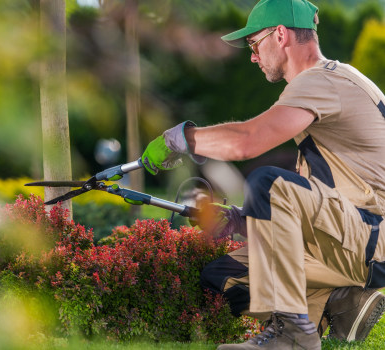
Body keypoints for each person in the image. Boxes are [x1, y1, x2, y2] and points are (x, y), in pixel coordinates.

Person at [141, 0, 385, 349]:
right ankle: (340, 304)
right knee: (221, 280)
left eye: (254, 44)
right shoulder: (333, 83)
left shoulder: (321, 81)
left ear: (281, 35)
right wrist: (240, 222)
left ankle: (293, 334)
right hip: (345, 236)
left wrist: (180, 139)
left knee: (267, 182)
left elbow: (247, 142)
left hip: (367, 240)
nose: (253, 56)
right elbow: (317, 198)